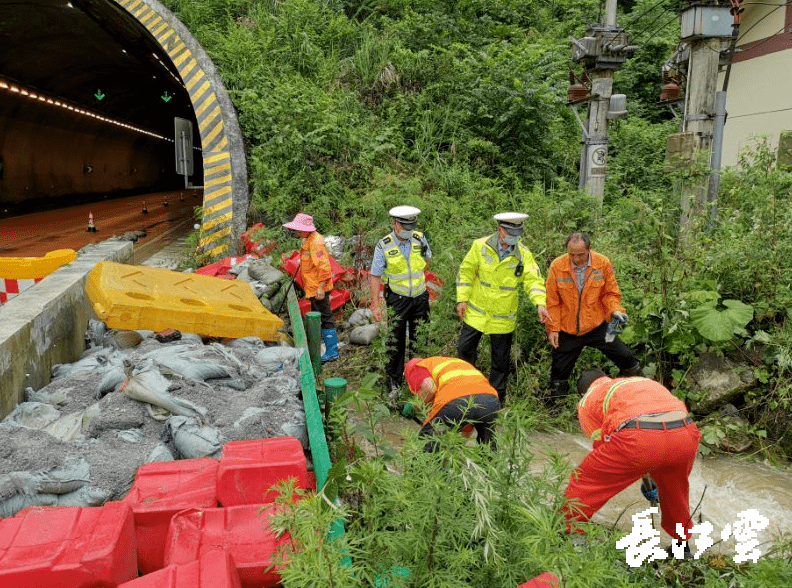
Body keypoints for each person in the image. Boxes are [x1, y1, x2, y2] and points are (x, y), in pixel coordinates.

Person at [563, 369, 701, 548]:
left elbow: (605, 447)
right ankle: (682, 547)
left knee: (585, 480)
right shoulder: (635, 383)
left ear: (583, 392)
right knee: (675, 490)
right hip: (685, 434)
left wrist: (642, 470)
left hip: (639, 438)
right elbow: (658, 428)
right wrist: (649, 479)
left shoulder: (588, 400)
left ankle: (568, 535)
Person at [456, 212, 551, 402]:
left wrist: (540, 303)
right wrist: (462, 299)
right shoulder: (480, 246)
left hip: (502, 318)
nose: (514, 237)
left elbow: (533, 281)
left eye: (518, 233)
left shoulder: (523, 254)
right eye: (511, 232)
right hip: (476, 313)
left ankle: (495, 401)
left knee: (500, 361)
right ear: (500, 230)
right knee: (464, 350)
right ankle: (464, 392)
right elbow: (465, 272)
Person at [544, 232, 641, 405]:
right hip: (568, 329)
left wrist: (615, 311)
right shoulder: (557, 266)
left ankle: (640, 396)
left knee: (627, 359)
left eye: (580, 254)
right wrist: (553, 328)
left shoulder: (602, 263)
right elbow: (552, 302)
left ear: (589, 249)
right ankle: (554, 411)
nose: (576, 259)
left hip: (597, 326)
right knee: (558, 374)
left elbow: (610, 294)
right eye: (571, 254)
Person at [370, 205, 432, 395]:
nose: (409, 231)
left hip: (420, 296)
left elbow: (427, 259)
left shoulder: (419, 239)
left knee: (419, 337)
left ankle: (418, 381)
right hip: (398, 298)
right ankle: (394, 381)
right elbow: (375, 275)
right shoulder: (384, 245)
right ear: (396, 225)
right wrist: (375, 304)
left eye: (411, 227)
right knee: (395, 340)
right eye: (406, 228)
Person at [405, 356, 501, 451]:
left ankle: (422, 466)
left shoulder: (416, 367)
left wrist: (415, 406)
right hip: (490, 400)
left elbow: (429, 389)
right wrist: (456, 447)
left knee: (427, 439)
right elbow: (468, 418)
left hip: (455, 398)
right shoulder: (452, 365)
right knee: (488, 448)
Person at [283, 212, 338, 362]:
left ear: (306, 229)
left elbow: (325, 267)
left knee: (325, 317)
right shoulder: (308, 240)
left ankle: (332, 351)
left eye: (298, 229)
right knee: (317, 316)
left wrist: (321, 287)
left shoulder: (316, 243)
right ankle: (321, 346)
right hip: (313, 288)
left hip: (319, 288)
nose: (296, 232)